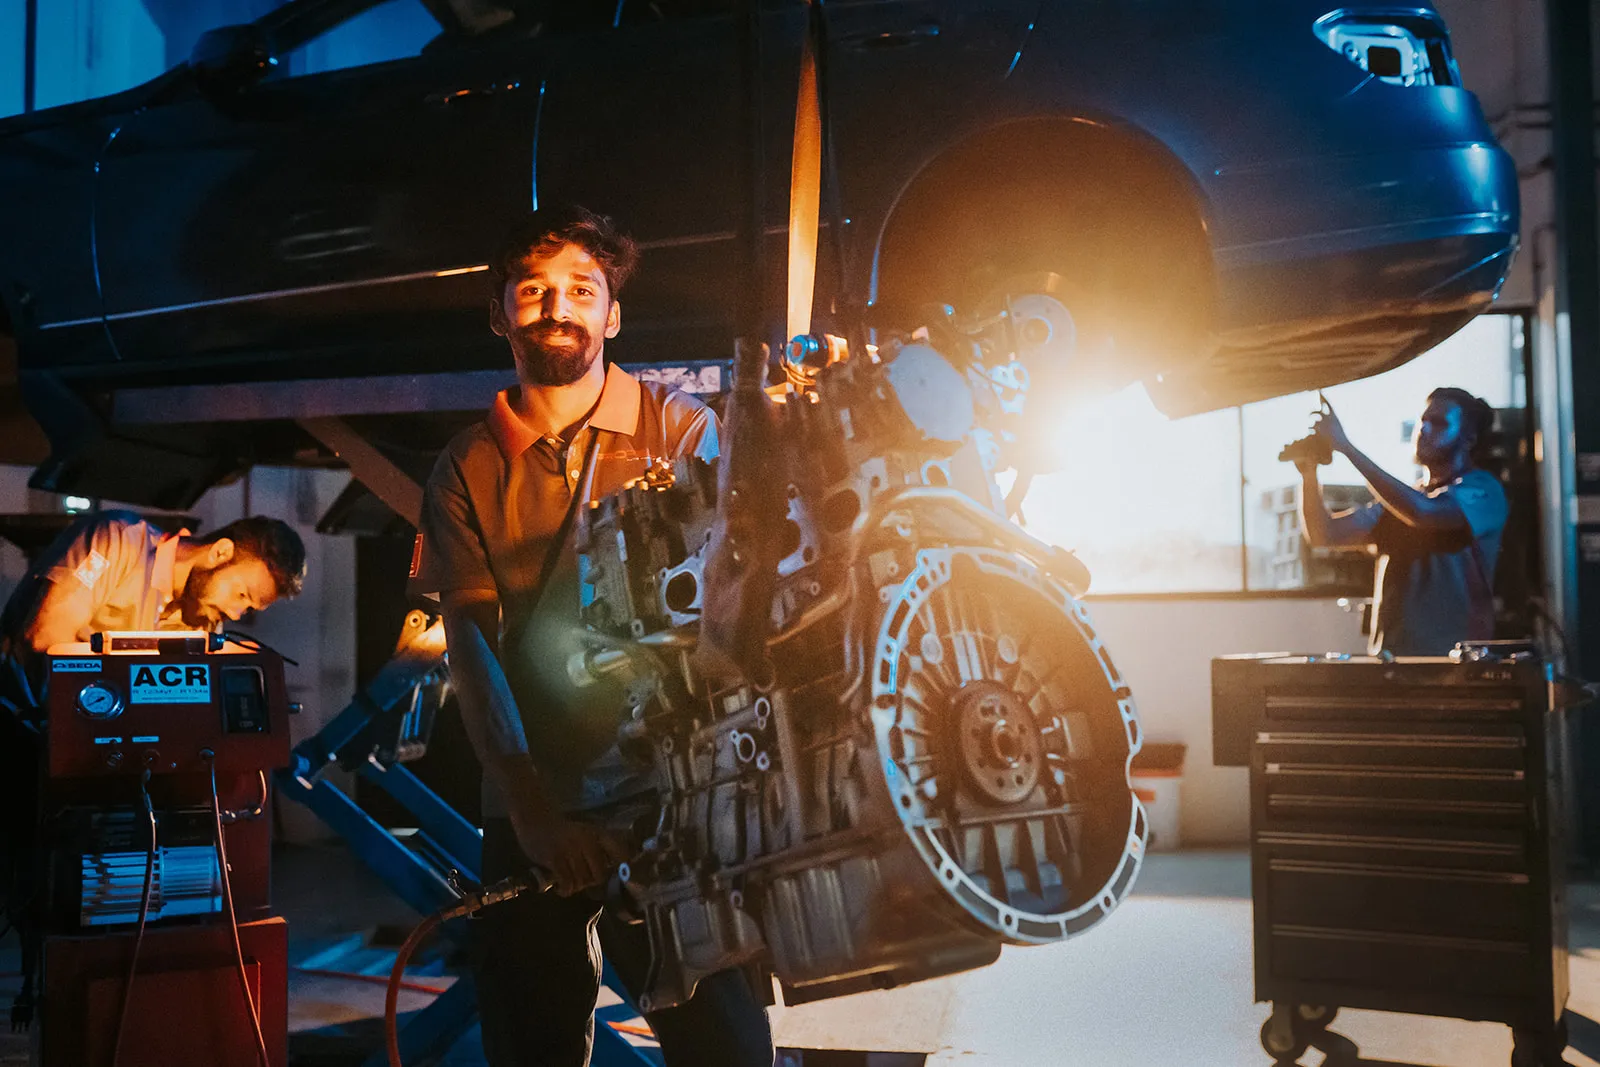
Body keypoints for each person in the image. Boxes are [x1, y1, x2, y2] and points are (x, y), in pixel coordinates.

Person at [407, 204, 772, 1067]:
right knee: (530, 1036)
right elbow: (474, 641)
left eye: (581, 289)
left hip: (674, 796)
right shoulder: (466, 465)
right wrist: (530, 803)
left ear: (613, 314)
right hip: (537, 797)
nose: (556, 307)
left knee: (720, 1038)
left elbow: (725, 609)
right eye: (532, 291)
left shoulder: (680, 431)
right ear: (501, 314)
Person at [0, 511, 306, 709]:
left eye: (249, 608)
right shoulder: (117, 541)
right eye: (242, 595)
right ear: (220, 552)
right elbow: (44, 638)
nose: (237, 613)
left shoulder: (201, 624)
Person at [1295, 387, 1508, 655]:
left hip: (1454, 665)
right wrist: (1308, 471)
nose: (1424, 429)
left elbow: (1425, 513)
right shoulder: (1401, 502)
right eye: (1423, 420)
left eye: (1439, 423)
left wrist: (1347, 448)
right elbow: (1323, 534)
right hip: (1390, 663)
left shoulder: (1483, 490)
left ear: (1468, 439)